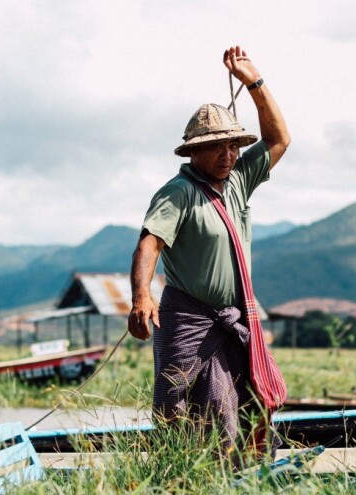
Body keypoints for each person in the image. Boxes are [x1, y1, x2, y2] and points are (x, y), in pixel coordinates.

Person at [128, 45, 291, 454]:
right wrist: (141, 295)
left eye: (232, 145)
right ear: (194, 151)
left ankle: (239, 473)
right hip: (189, 318)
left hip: (232, 317)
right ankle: (180, 471)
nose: (227, 154)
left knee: (240, 405)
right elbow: (150, 242)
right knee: (179, 407)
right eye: (217, 146)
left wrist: (253, 81)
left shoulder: (237, 181)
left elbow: (279, 139)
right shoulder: (178, 192)